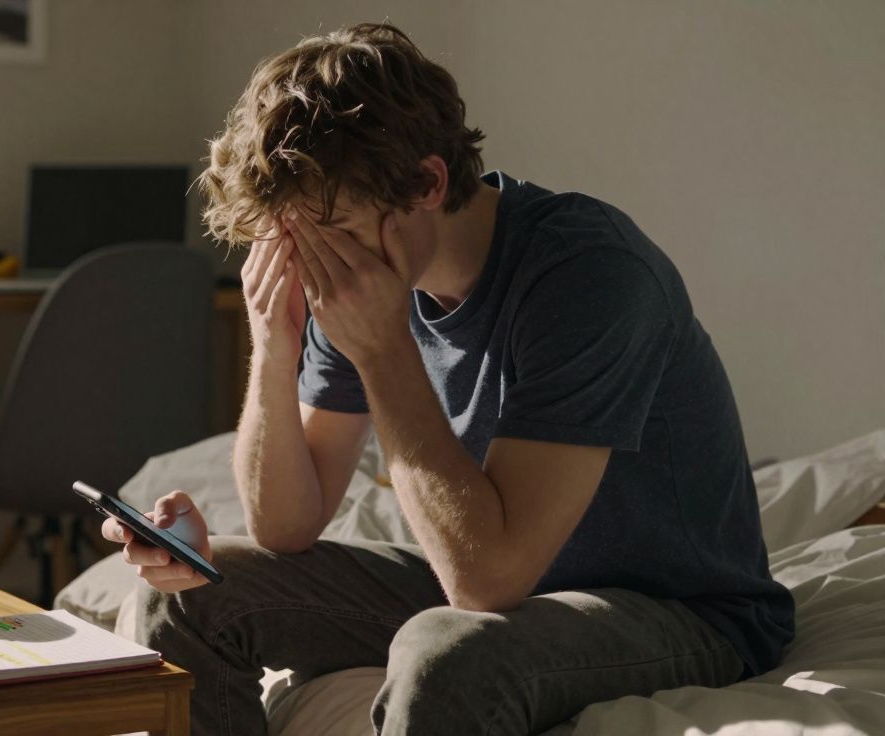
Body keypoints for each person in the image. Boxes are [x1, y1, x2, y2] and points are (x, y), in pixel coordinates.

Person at [101, 23, 794, 735]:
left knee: (444, 653)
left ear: (428, 183)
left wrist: (384, 350)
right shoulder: (354, 267)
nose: (313, 266)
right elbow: (286, 524)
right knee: (183, 598)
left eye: (333, 233)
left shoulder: (591, 273)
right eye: (292, 240)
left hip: (679, 609)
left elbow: (486, 582)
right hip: (500, 581)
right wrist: (274, 346)